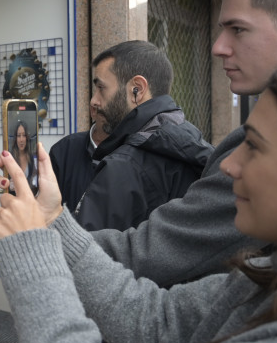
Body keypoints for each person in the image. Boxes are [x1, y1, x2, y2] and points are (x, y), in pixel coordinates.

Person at [0, 0, 277, 287]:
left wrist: (2, 238)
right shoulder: (113, 148)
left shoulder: (133, 163)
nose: (218, 47)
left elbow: (138, 265)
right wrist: (36, 218)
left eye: (238, 29)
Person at [0, 60, 277, 343]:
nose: (228, 164)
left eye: (253, 145)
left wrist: (34, 255)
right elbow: (156, 321)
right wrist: (53, 219)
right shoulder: (267, 275)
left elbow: (140, 253)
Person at [74, 40, 213, 230]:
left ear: (137, 90)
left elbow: (81, 251)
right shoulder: (189, 141)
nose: (94, 101)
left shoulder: (124, 166)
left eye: (101, 88)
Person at [48, 105, 109, 211]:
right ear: (93, 111)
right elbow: (48, 210)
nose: (94, 101)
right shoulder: (63, 150)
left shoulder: (138, 155)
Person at [10, 120, 38, 194]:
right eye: (19, 136)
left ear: (27, 138)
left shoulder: (32, 158)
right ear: (15, 138)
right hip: (13, 200)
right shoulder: (10, 158)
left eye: (24, 135)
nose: (21, 139)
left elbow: (34, 184)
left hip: (29, 199)